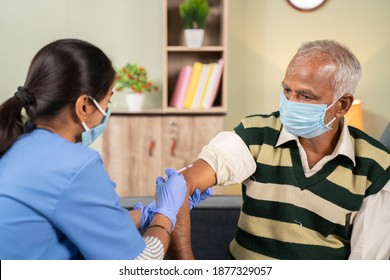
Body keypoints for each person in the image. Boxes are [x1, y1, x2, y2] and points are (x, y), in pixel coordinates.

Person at [170, 39, 390, 260]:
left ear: (342, 105)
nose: (290, 102)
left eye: (305, 95)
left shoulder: (376, 168)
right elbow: (182, 185)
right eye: (287, 90)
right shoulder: (255, 133)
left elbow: (366, 266)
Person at [0, 39, 188, 260]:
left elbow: (72, 213)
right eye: (108, 102)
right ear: (84, 106)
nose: (107, 111)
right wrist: (164, 216)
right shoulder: (75, 165)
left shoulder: (15, 144)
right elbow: (140, 264)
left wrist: (146, 214)